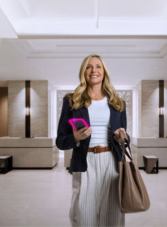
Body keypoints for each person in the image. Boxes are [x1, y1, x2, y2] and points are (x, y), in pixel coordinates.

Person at [56, 54, 130, 227]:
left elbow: (125, 138)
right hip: (84, 161)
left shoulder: (118, 103)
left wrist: (123, 137)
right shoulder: (71, 101)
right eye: (89, 67)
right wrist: (74, 137)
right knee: (82, 214)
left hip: (111, 162)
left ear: (104, 72)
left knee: (112, 216)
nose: (93, 70)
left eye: (98, 66)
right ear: (84, 72)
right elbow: (60, 141)